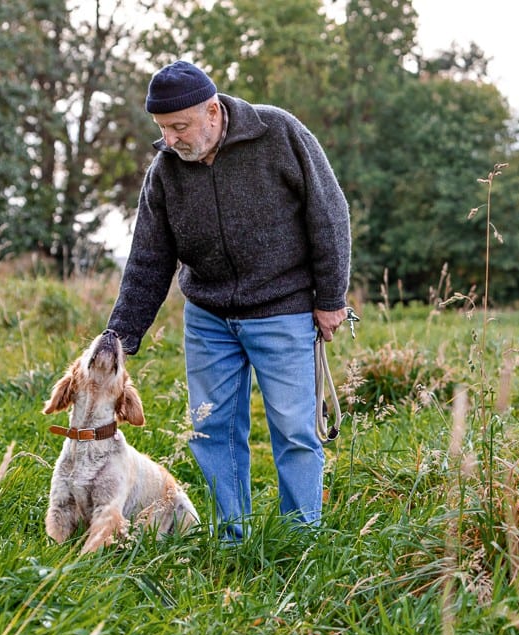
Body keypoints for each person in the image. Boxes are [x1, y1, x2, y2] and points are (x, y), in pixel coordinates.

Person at [105, 60, 352, 541]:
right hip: (208, 317)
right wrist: (122, 335)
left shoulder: (278, 133)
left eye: (179, 127)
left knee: (294, 430)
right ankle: (233, 536)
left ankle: (301, 539)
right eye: (162, 129)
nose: (171, 139)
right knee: (212, 430)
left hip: (283, 307)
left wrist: (330, 297)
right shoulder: (166, 172)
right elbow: (149, 257)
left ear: (212, 111)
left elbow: (329, 213)